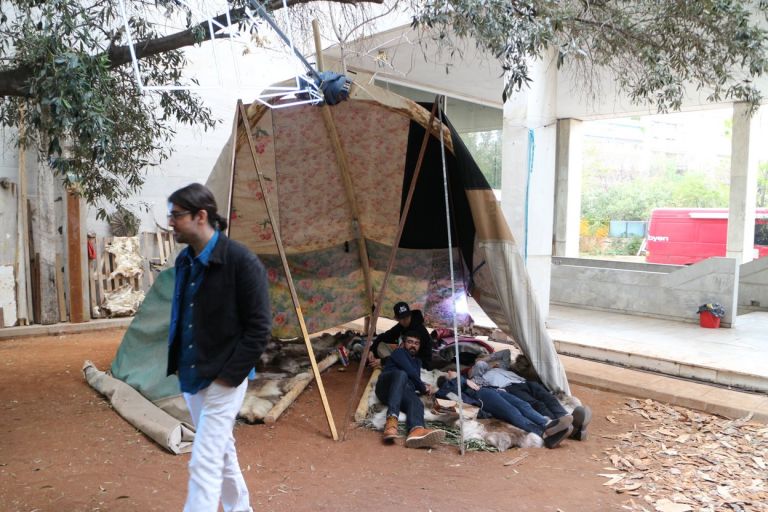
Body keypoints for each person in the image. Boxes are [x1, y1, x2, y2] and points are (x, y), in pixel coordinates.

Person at [166, 183, 271, 512]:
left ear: (201, 216)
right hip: (193, 375)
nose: (170, 222)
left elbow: (259, 327)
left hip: (224, 377)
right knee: (221, 452)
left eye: (176, 215)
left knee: (204, 460)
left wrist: (230, 376)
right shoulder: (185, 261)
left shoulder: (241, 261)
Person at [473, 352, 592, 441]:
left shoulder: (502, 367)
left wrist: (488, 357)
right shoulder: (480, 376)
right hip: (508, 388)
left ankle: (565, 417)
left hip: (523, 382)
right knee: (536, 404)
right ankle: (559, 426)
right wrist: (482, 361)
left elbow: (506, 352)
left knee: (547, 397)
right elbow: (479, 364)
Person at [436, 372, 573, 449]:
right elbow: (447, 393)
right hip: (482, 396)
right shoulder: (447, 388)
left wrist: (463, 380)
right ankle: (543, 433)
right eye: (448, 374)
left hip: (492, 390)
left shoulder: (462, 381)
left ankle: (546, 424)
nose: (452, 372)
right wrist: (459, 379)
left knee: (523, 405)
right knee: (513, 412)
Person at [375, 331, 446, 448]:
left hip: (400, 391)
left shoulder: (417, 362)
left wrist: (424, 387)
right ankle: (391, 423)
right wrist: (423, 388)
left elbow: (414, 382)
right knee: (401, 374)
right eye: (410, 342)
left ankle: (416, 431)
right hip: (385, 388)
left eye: (416, 343)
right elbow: (411, 373)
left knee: (416, 402)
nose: (413, 345)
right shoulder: (399, 352)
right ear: (403, 343)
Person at [369, 301, 433, 370]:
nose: (405, 320)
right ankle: (383, 364)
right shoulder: (401, 326)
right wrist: (371, 350)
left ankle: (388, 367)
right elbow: (383, 337)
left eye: (407, 317)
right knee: (381, 345)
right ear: (397, 318)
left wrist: (383, 361)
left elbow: (407, 355)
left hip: (417, 363)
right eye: (401, 318)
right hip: (402, 357)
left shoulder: (419, 331)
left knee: (396, 361)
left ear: (410, 314)